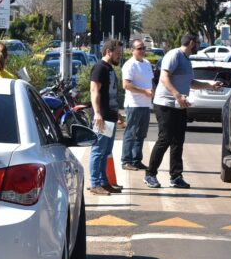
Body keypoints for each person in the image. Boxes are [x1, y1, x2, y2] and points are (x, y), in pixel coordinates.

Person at [144, 33, 223, 189]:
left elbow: (191, 83)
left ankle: (176, 176)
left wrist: (210, 85)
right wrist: (177, 95)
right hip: (165, 104)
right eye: (199, 43)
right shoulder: (174, 55)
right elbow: (164, 78)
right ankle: (150, 174)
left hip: (179, 105)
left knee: (178, 141)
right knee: (164, 139)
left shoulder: (187, 60)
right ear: (192, 43)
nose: (200, 46)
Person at [89, 39, 124, 195]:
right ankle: (95, 183)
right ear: (108, 51)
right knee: (98, 150)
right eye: (117, 53)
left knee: (106, 151)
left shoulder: (109, 68)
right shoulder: (99, 68)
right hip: (101, 117)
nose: (119, 56)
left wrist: (116, 114)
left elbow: (109, 95)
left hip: (110, 116)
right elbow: (94, 91)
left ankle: (104, 182)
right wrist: (97, 113)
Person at [121, 39, 154, 171]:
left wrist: (153, 91)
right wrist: (144, 91)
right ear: (132, 50)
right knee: (131, 133)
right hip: (134, 104)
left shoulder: (146, 63)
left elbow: (151, 81)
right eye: (139, 48)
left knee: (141, 134)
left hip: (146, 104)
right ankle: (126, 160)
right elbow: (126, 85)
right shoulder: (130, 65)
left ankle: (136, 160)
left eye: (143, 48)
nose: (142, 51)